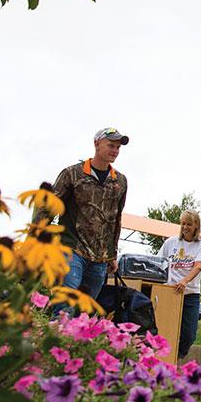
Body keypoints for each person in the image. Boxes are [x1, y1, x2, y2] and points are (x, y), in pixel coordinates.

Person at [38, 127, 129, 306]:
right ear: (96, 144)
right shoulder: (72, 174)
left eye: (118, 147)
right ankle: (57, 332)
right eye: (111, 145)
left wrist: (112, 254)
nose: (115, 151)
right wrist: (37, 241)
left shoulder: (120, 181)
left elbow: (116, 220)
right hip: (71, 249)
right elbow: (48, 209)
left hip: (100, 258)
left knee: (85, 313)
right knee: (65, 305)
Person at [159, 209, 201, 360]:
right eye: (182, 224)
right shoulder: (171, 242)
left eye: (189, 224)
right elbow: (159, 263)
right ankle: (165, 360)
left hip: (190, 294)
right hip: (170, 292)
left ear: (196, 225)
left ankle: (177, 357)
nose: (185, 227)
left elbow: (198, 266)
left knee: (189, 335)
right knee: (166, 329)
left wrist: (185, 281)